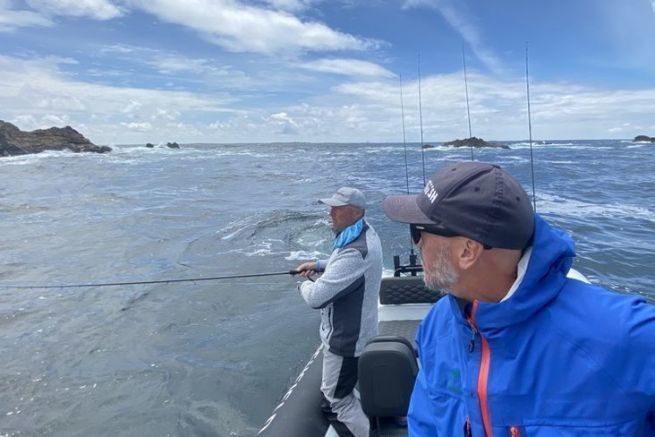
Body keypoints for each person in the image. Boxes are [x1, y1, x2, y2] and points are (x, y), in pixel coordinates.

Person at [382, 161, 655, 436]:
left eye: (418, 232)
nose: (415, 244)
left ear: (468, 251)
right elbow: (426, 424)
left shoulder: (622, 334)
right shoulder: (436, 326)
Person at [296, 187, 383, 437]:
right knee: (342, 391)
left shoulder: (356, 250)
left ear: (355, 212)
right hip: (360, 333)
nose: (330, 213)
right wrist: (319, 265)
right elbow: (343, 262)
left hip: (347, 341)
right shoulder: (362, 232)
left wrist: (301, 283)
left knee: (337, 401)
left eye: (336, 208)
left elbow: (316, 298)